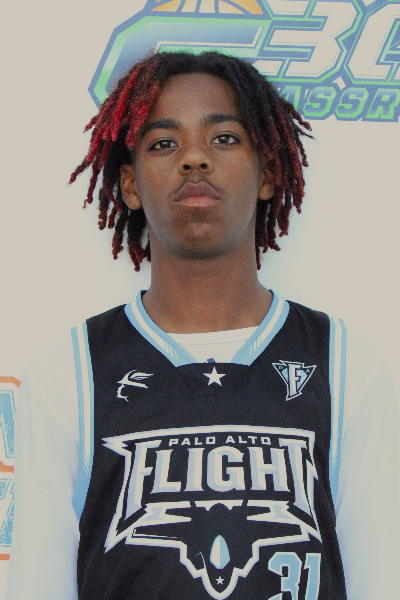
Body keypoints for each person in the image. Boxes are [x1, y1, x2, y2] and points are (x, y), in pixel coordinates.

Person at [8, 51, 399, 600]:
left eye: (224, 138)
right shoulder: (68, 374)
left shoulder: (347, 366)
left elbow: (380, 580)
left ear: (268, 174)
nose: (194, 158)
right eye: (164, 143)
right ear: (130, 185)